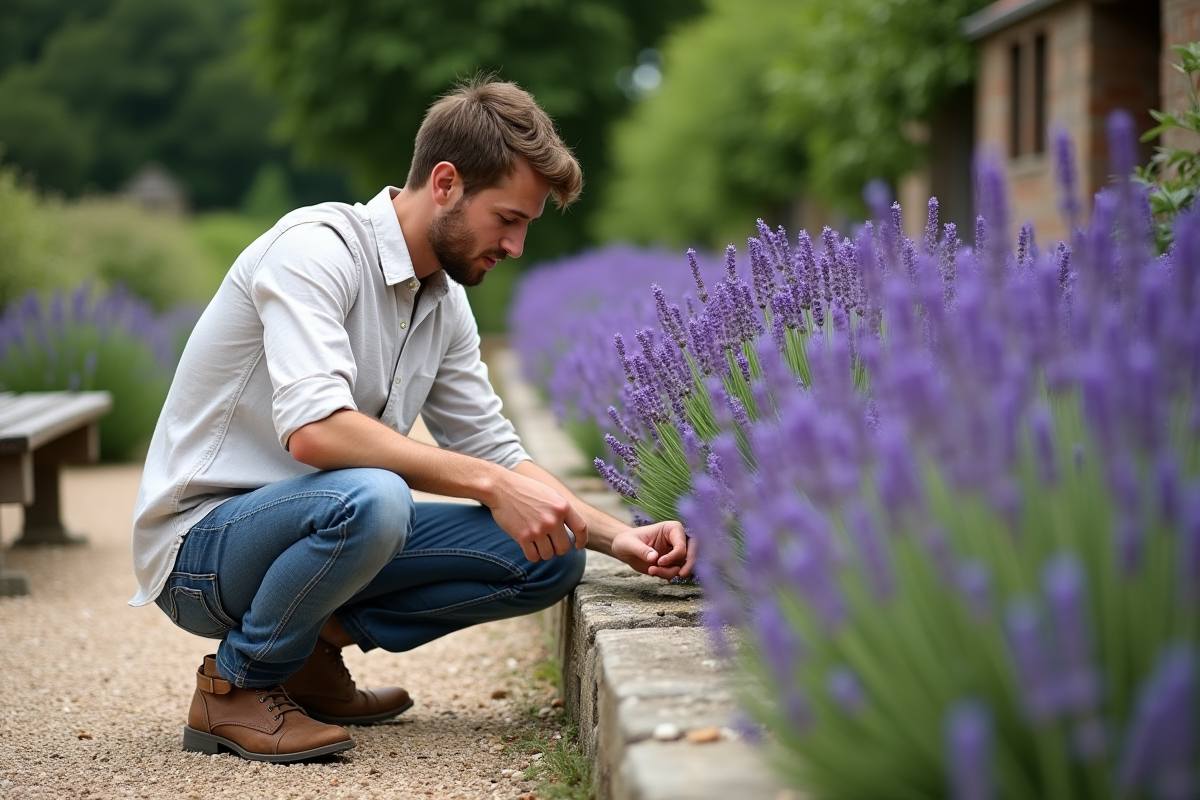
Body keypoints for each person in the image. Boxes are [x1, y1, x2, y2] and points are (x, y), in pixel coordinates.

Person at [129, 76, 695, 764]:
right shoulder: (315, 250)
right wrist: (489, 485)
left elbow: (496, 448)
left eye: (525, 227)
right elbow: (316, 431)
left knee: (550, 554)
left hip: (318, 525)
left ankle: (307, 656)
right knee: (374, 496)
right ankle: (235, 685)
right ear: (447, 183)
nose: (515, 246)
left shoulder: (444, 301)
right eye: (508, 219)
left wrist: (620, 537)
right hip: (201, 552)